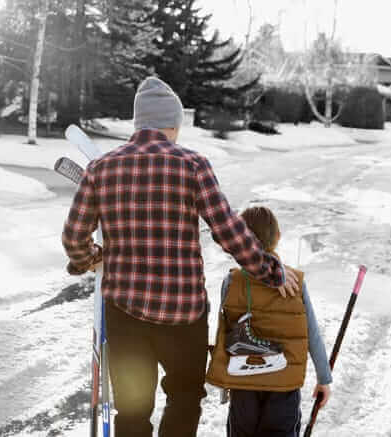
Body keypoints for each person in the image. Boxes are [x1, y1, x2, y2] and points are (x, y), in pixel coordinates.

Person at [61, 77, 299, 437]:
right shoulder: (193, 165)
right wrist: (271, 271)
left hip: (124, 314)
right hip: (183, 315)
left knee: (133, 410)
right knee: (185, 399)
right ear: (172, 124)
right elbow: (229, 232)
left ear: (139, 123)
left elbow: (73, 237)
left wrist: (88, 258)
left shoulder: (101, 168)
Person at [205, 206, 333, 437]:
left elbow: (223, 332)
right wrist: (323, 378)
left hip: (244, 382)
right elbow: (311, 332)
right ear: (278, 237)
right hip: (284, 383)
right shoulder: (295, 283)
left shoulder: (231, 282)